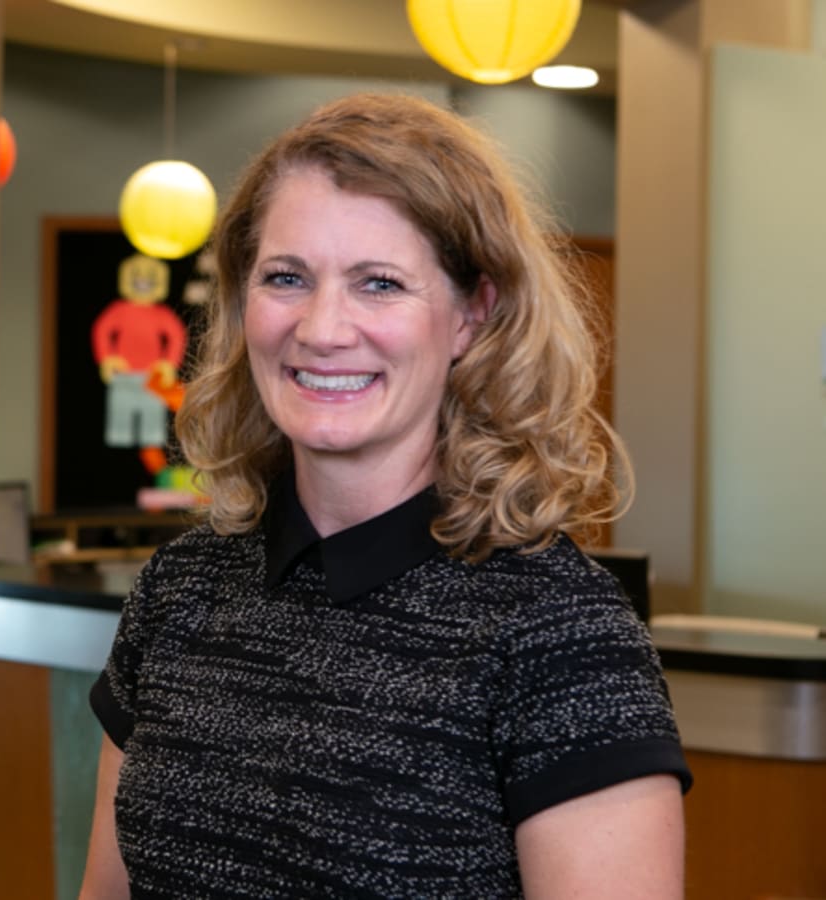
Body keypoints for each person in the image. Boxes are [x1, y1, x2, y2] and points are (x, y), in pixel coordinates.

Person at [79, 92, 692, 900]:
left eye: (380, 284)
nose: (324, 328)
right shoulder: (180, 591)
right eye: (287, 277)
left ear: (474, 315)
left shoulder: (564, 638)